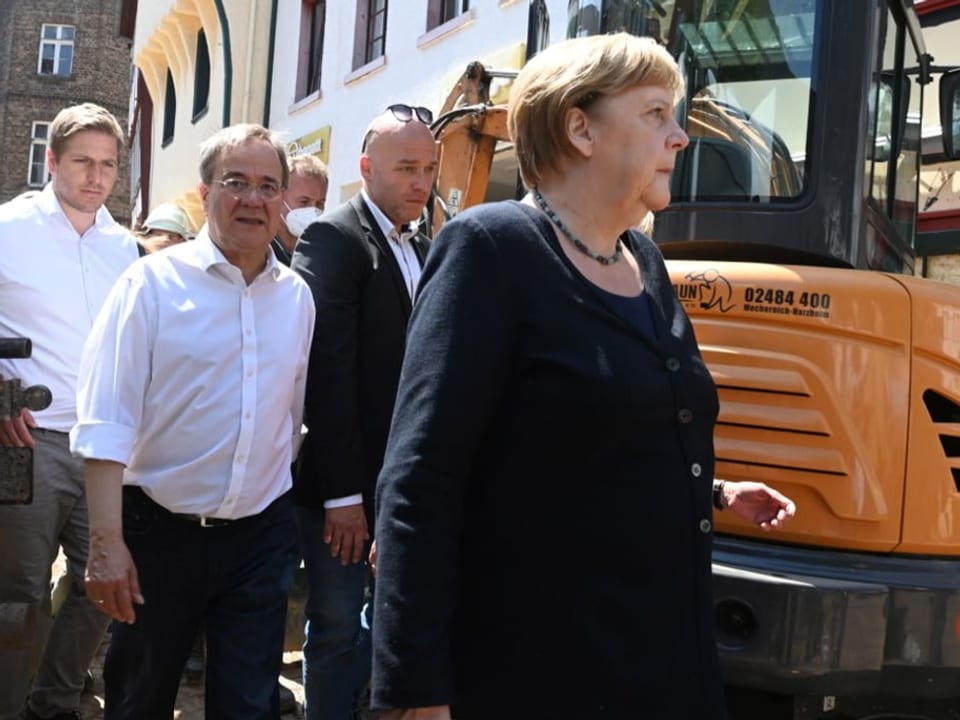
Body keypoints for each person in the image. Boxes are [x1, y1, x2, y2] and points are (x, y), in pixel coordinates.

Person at [370, 33, 797, 720]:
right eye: (657, 112)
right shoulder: (492, 249)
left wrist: (713, 489)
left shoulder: (646, 264)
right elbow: (423, 481)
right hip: (541, 673)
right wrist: (417, 693)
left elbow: (586, 438)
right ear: (580, 128)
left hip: (664, 662)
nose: (682, 137)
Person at [70, 123, 315, 719]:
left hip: (259, 536)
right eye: (235, 182)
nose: (252, 199)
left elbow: (293, 417)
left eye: (267, 185)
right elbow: (106, 419)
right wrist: (107, 544)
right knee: (139, 700)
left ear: (284, 201)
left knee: (249, 705)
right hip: (160, 535)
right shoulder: (149, 285)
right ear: (204, 195)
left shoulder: (296, 298)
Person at [290, 105, 437, 720]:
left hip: (402, 487)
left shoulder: (426, 246)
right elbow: (325, 376)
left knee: (390, 629)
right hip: (342, 493)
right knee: (335, 630)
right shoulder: (333, 237)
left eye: (429, 169)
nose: (421, 183)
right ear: (366, 167)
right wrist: (344, 497)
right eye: (406, 168)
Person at [0, 102, 139, 720]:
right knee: (18, 596)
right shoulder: (9, 227)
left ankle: (51, 703)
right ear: (51, 161)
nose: (96, 177)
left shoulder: (123, 247)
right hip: (26, 438)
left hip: (104, 447)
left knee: (106, 586)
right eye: (83, 161)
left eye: (108, 165)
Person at [272, 154, 328, 266]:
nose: (313, 210)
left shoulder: (321, 256)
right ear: (280, 198)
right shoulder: (259, 252)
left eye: (320, 203)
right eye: (304, 201)